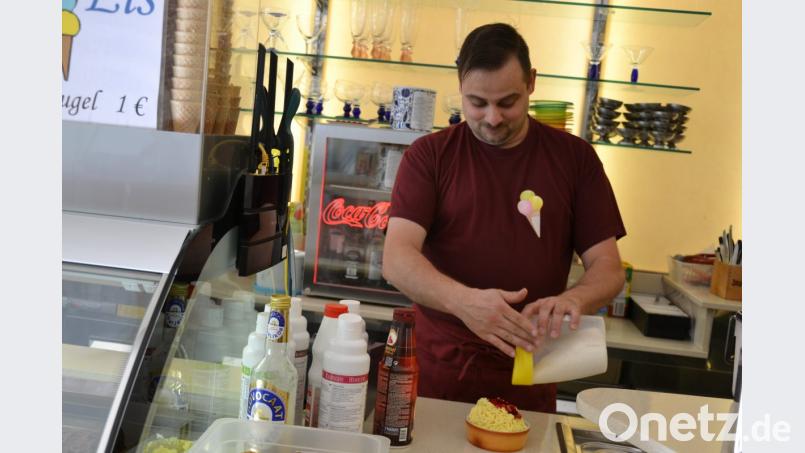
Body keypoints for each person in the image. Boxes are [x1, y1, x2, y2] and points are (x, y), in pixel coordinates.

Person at [382, 23, 627, 413]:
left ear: (531, 83)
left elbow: (609, 268)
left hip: (531, 370)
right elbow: (397, 258)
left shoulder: (575, 159)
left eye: (508, 102)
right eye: (477, 103)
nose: (493, 118)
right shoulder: (429, 156)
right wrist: (465, 303)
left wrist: (575, 298)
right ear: (460, 85)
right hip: (438, 373)